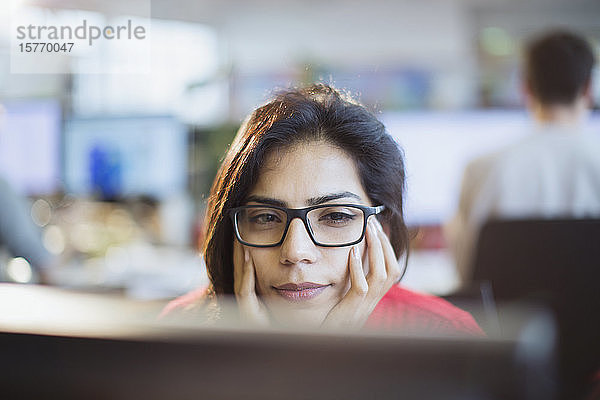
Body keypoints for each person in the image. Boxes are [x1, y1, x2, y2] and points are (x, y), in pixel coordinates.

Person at [164, 84, 482, 335]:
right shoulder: (180, 331)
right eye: (265, 217)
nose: (296, 252)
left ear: (382, 229)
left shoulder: (446, 337)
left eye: (336, 216)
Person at [445, 30, 600, 283]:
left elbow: (467, 275)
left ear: (526, 87)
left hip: (509, 321)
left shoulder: (480, 169)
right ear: (588, 89)